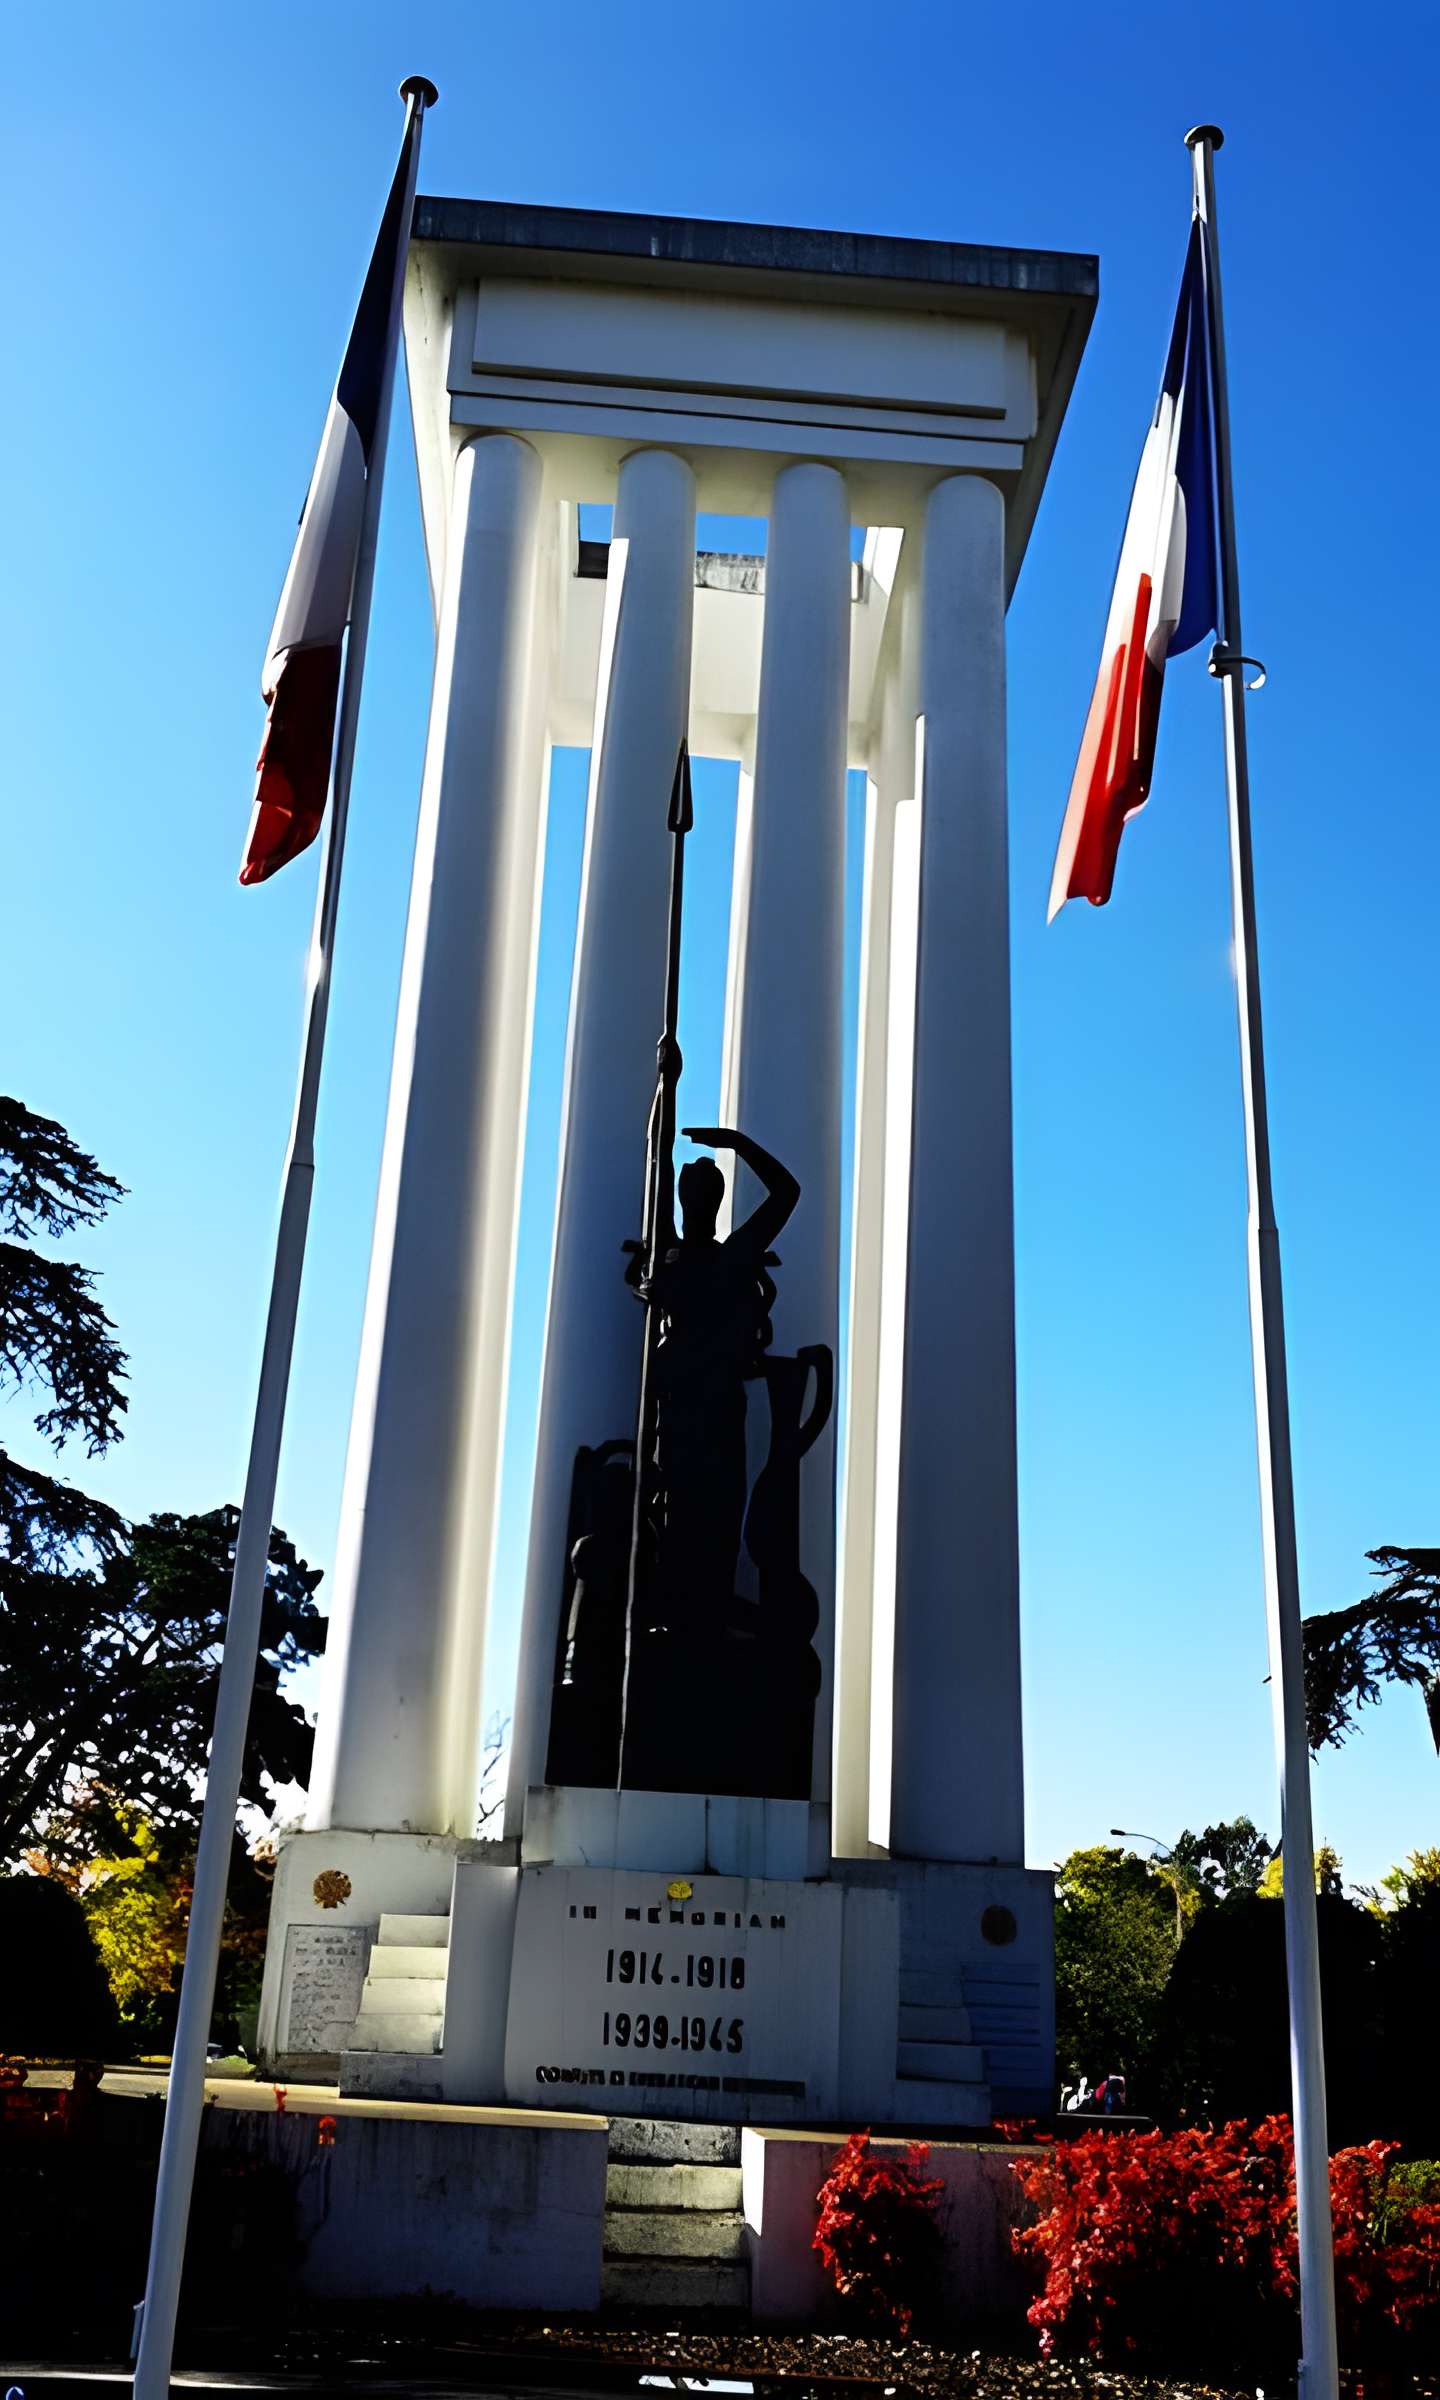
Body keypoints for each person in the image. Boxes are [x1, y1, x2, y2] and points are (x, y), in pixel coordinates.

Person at [643, 1125, 799, 1625]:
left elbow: (786, 1193)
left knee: (713, 1529)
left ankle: (701, 1623)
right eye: (693, 1195)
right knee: (683, 1525)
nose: (697, 1206)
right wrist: (732, 1144)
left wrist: (735, 1142)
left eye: (705, 1197)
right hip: (684, 1417)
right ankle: (687, 1619)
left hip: (711, 1414)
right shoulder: (682, 1261)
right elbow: (658, 1165)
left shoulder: (726, 1257)